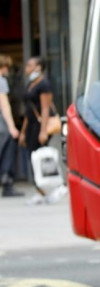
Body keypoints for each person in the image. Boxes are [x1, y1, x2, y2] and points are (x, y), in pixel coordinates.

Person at [20, 56, 55, 204]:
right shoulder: (30, 84)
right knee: (32, 158)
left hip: (40, 126)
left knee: (39, 157)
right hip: (31, 125)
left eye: (30, 65)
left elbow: (45, 109)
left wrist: (43, 131)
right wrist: (22, 131)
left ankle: (45, 190)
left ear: (38, 67)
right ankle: (41, 190)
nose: (27, 68)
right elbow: (29, 110)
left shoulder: (44, 84)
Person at [0, 55, 22, 197]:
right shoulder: (1, 81)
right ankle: (7, 182)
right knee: (7, 150)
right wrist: (12, 127)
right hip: (1, 125)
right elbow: (4, 105)